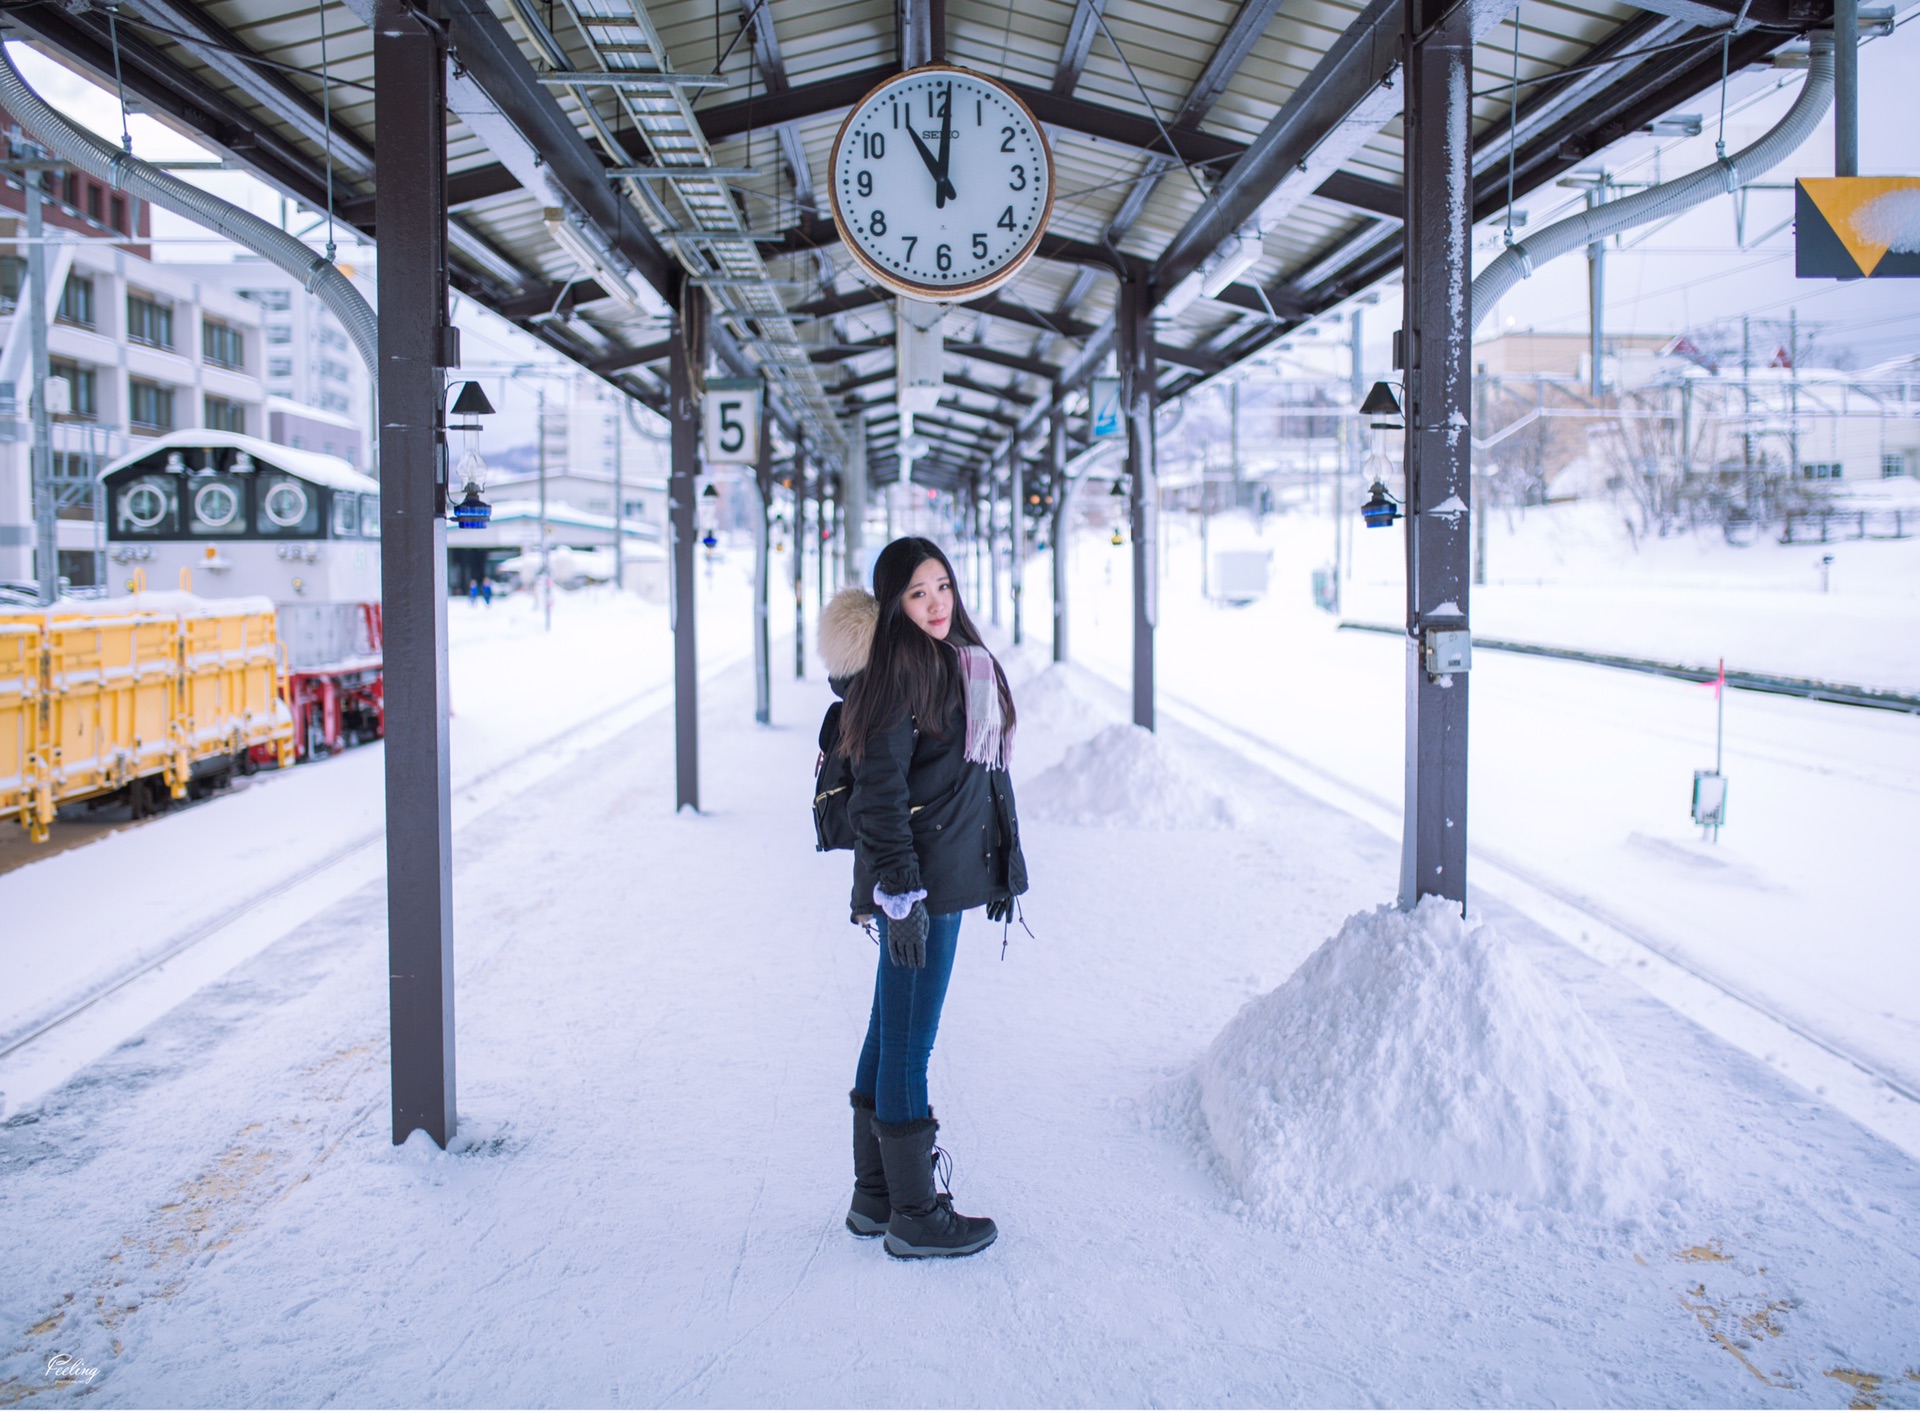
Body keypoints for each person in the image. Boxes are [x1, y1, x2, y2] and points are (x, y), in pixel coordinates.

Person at [817, 536, 1028, 1260]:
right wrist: (899, 891)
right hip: (920, 887)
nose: (936, 602)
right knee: (910, 1042)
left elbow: (981, 781)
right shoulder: (900, 675)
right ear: (893, 604)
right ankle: (914, 1212)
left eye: (942, 584)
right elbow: (881, 795)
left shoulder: (958, 662)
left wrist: (1001, 869)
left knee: (889, 1032)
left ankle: (875, 1196)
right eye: (917, 592)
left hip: (941, 878)